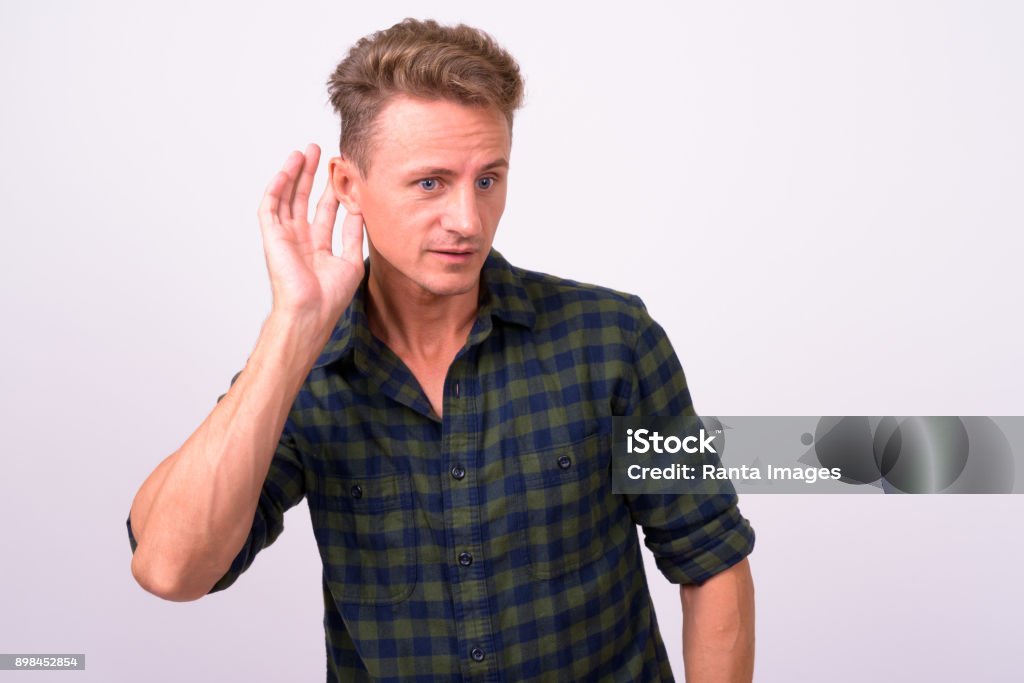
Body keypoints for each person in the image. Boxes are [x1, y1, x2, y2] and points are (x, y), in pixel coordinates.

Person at [125, 18, 756, 682]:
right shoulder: (302, 376)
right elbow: (170, 568)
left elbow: (709, 557)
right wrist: (291, 327)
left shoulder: (613, 340)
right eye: (430, 182)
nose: (467, 219)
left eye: (488, 179)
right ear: (347, 186)